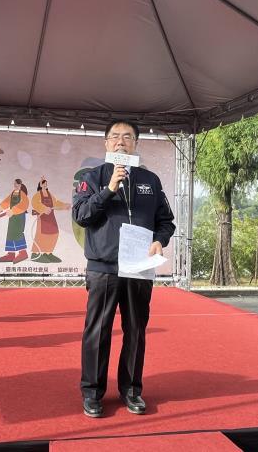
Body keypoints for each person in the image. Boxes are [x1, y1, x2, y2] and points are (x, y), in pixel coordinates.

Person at [72, 119, 176, 417]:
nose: (121, 141)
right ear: (106, 143)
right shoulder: (92, 177)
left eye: (127, 137)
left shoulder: (150, 180)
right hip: (103, 267)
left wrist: (159, 241)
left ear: (136, 144)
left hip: (139, 268)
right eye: (115, 136)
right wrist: (108, 190)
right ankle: (92, 392)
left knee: (136, 330)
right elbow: (82, 215)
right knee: (98, 330)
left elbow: (166, 221)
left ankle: (131, 390)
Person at [30, 176, 70, 263]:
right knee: (41, 234)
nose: (45, 185)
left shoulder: (49, 194)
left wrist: (64, 205)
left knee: (54, 233)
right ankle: (35, 254)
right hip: (42, 217)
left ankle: (47, 253)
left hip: (51, 217)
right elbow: (34, 203)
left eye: (46, 184)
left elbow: (55, 203)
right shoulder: (38, 195)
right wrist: (44, 208)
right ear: (40, 185)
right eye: (43, 184)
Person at [0, 178, 29, 264]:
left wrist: (13, 210)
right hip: (12, 217)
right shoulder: (13, 193)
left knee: (17, 233)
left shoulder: (22, 195)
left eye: (17, 184)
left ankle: (23, 253)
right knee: (10, 233)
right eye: (14, 184)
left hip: (19, 217)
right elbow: (7, 201)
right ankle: (11, 254)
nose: (15, 186)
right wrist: (1, 207)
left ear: (20, 185)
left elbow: (24, 205)